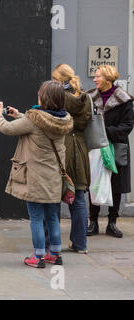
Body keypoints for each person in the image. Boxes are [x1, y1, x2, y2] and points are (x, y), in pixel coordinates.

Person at [0, 81, 73, 268]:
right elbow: (40, 126)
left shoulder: (34, 120)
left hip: (35, 178)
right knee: (52, 217)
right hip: (54, 178)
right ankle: (55, 254)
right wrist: (19, 115)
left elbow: (8, 129)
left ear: (44, 98)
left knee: (36, 218)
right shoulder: (64, 119)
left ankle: (38, 257)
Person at [86, 65, 134, 238]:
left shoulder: (124, 100)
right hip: (96, 147)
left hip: (116, 147)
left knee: (116, 185)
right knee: (95, 183)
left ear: (108, 78)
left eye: (98, 76)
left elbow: (127, 126)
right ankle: (93, 222)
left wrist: (104, 131)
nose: (94, 79)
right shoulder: (89, 98)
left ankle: (112, 223)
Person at [52, 64, 91, 253]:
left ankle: (52, 244)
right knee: (79, 198)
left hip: (61, 148)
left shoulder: (59, 97)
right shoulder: (86, 98)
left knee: (52, 198)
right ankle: (80, 244)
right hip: (80, 149)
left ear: (60, 79)